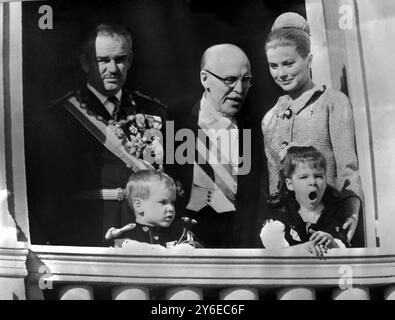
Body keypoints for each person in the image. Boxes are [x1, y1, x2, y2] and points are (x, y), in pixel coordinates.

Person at [27, 23, 167, 246]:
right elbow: (47, 191)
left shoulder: (153, 111)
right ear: (85, 62)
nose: (112, 68)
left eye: (120, 59)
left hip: (141, 231)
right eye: (102, 60)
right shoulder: (60, 117)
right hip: (88, 229)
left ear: (130, 60)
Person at [261, 12, 363, 245]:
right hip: (292, 231)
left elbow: (348, 169)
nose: (281, 73)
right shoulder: (269, 119)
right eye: (273, 66)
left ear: (308, 59)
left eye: (288, 63)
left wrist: (350, 215)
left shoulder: (333, 102)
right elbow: (275, 186)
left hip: (329, 223)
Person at [170, 44, 262, 248]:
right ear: (205, 79)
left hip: (241, 243)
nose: (239, 90)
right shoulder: (174, 119)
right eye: (230, 80)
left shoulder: (257, 122)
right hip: (187, 242)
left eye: (245, 80)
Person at [260, 146, 350, 256]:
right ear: (290, 184)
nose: (312, 182)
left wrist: (334, 245)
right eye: (303, 177)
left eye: (318, 176)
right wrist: (300, 249)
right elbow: (273, 253)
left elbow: (347, 251)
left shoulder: (335, 212)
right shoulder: (280, 219)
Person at [104, 170, 200, 250]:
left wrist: (187, 248)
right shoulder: (127, 235)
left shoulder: (180, 231)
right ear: (139, 205)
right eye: (163, 202)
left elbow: (198, 248)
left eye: (172, 202)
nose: (171, 208)